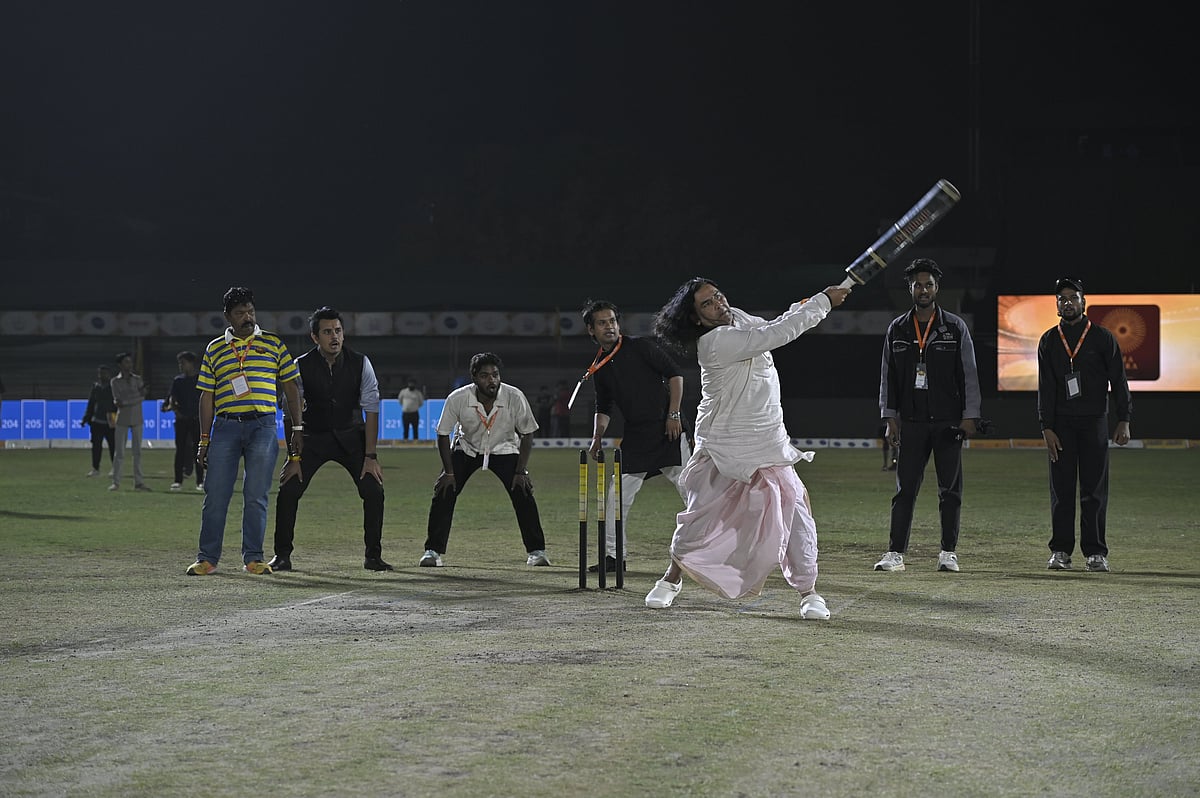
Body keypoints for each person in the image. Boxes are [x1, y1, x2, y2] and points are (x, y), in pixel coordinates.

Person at [643, 278, 850, 620]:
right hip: (724, 443)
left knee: (796, 515)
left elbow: (771, 326)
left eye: (718, 295)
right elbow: (772, 337)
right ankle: (671, 579)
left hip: (768, 440)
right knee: (699, 518)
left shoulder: (737, 318)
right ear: (696, 318)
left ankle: (809, 592)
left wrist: (804, 306)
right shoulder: (715, 341)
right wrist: (823, 302)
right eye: (707, 304)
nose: (719, 304)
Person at [874, 259, 981, 574]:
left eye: (929, 285)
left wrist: (970, 416)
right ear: (910, 288)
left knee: (950, 490)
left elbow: (969, 375)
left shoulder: (955, 327)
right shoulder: (898, 328)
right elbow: (888, 377)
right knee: (904, 489)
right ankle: (895, 553)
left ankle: (948, 553)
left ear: (937, 288)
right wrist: (890, 418)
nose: (923, 290)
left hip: (948, 423)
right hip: (912, 422)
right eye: (918, 285)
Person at [186, 286, 302, 576]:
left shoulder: (274, 344)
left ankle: (254, 557)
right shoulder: (215, 349)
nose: (247, 317)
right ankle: (207, 558)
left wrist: (297, 427)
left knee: (256, 495)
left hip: (263, 426)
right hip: (224, 427)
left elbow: (290, 387)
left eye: (250, 311)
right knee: (215, 495)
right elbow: (206, 396)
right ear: (227, 317)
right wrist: (204, 440)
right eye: (240, 313)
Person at [270, 307, 391, 572]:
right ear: (315, 337)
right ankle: (282, 556)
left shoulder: (361, 362)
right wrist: (293, 457)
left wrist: (371, 457)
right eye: (327, 332)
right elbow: (289, 410)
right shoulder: (299, 365)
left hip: (351, 438)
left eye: (338, 331)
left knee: (374, 491)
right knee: (288, 490)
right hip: (313, 437)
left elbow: (371, 408)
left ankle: (373, 556)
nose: (334, 337)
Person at [580, 298, 689, 572]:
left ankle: (712, 553)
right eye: (602, 323)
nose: (609, 327)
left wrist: (673, 415)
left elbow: (675, 375)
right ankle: (615, 558)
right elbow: (603, 406)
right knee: (616, 497)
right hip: (637, 437)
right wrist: (596, 438)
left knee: (694, 495)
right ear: (591, 330)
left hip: (669, 431)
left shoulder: (640, 347)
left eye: (613, 321)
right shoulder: (599, 366)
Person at [419, 352, 549, 568]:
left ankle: (537, 551)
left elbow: (528, 433)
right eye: (485, 376)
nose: (492, 381)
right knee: (444, 491)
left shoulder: (514, 396)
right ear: (474, 378)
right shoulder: (458, 398)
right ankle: (432, 551)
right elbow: (442, 434)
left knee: (523, 491)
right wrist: (449, 472)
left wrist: (520, 471)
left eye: (495, 375)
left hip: (504, 449)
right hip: (468, 449)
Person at [1037, 277, 1132, 572]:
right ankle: (1061, 551)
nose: (1068, 303)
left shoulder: (1102, 338)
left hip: (1094, 423)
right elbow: (1046, 388)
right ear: (1056, 305)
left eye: (1073, 297)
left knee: (1094, 490)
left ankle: (1095, 552)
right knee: (1062, 491)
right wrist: (1046, 427)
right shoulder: (1049, 340)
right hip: (1061, 426)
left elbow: (1118, 381)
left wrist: (1124, 419)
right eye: (1062, 298)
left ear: (1083, 302)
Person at [163, 351, 204, 491]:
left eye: (183, 363)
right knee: (180, 450)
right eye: (179, 363)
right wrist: (176, 411)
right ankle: (178, 480)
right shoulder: (178, 381)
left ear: (191, 363)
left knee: (197, 451)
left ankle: (200, 481)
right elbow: (172, 398)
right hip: (182, 420)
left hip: (197, 420)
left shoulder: (201, 379)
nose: (181, 366)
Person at [109, 352, 149, 492]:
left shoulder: (137, 379)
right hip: (122, 420)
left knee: (137, 452)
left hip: (137, 418)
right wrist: (135, 397)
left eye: (130, 362)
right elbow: (118, 401)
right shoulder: (115, 381)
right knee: (119, 452)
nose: (129, 364)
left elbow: (142, 396)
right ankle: (116, 482)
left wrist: (127, 401)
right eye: (126, 362)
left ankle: (139, 482)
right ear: (120, 364)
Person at [81, 365, 117, 477]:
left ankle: (115, 468)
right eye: (100, 373)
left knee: (113, 446)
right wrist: (86, 418)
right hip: (97, 421)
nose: (101, 375)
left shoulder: (113, 387)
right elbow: (91, 404)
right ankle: (95, 469)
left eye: (104, 373)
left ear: (109, 374)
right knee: (96, 446)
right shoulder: (96, 387)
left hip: (111, 419)